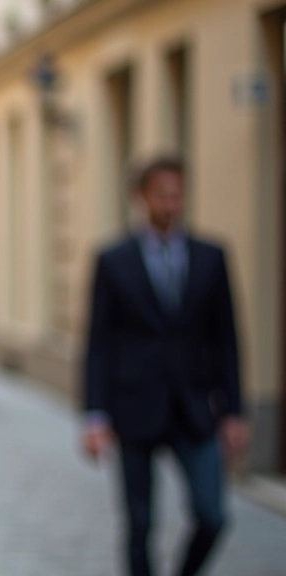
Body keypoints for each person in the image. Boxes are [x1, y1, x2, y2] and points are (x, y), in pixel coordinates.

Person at [81, 156, 248, 576]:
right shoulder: (113, 259)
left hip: (195, 407)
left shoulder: (211, 256)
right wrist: (95, 415)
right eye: (162, 194)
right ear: (141, 198)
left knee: (212, 515)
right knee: (140, 524)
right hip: (134, 404)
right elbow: (98, 343)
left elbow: (228, 338)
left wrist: (234, 411)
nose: (171, 203)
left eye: (177, 194)